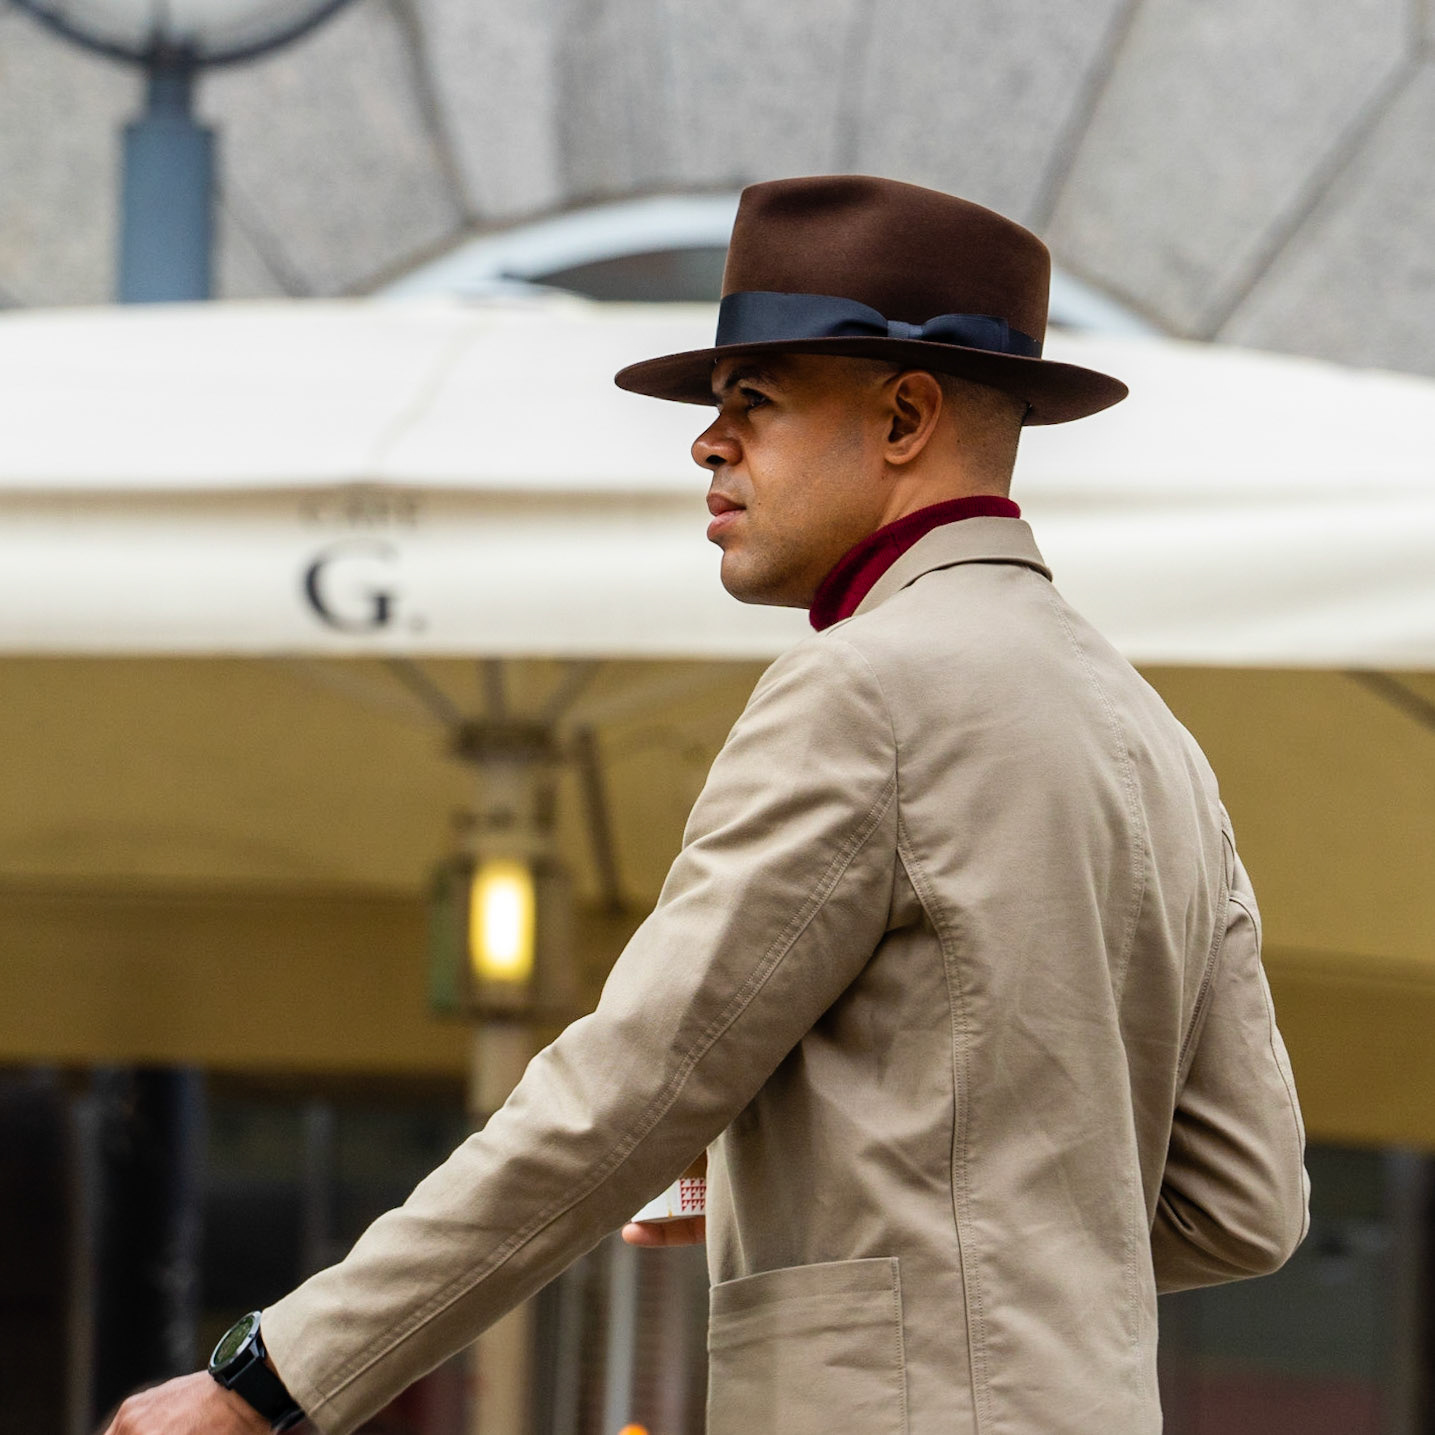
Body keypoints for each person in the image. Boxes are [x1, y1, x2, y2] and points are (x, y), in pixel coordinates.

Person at [104, 175, 1309, 1435]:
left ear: (905, 416)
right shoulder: (1156, 740)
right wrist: (838, 1216)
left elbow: (628, 1092)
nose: (707, 442)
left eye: (754, 399)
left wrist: (271, 1379)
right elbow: (1246, 1206)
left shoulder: (865, 686)